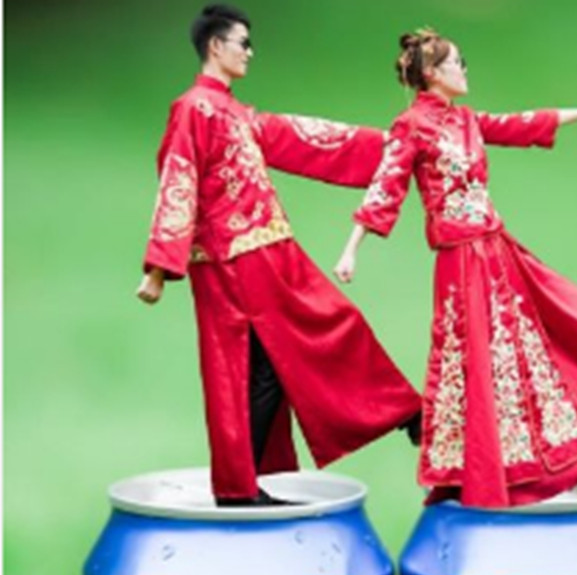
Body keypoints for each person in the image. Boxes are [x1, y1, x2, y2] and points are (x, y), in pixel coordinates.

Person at [335, 30, 577, 509]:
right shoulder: (411, 126)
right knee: (474, 361)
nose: (464, 70)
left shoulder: (467, 121)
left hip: (496, 253)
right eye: (457, 63)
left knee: (552, 332)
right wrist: (352, 248)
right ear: (432, 73)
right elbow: (385, 186)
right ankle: (477, 470)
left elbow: (520, 124)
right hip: (460, 262)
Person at [138, 5, 420, 506]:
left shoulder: (236, 113)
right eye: (242, 43)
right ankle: (403, 414)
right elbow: (178, 177)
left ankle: (241, 483)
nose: (250, 52)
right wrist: (160, 266)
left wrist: (392, 150)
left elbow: (307, 137)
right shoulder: (193, 109)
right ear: (215, 46)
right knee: (312, 331)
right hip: (234, 257)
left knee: (268, 364)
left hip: (265, 248)